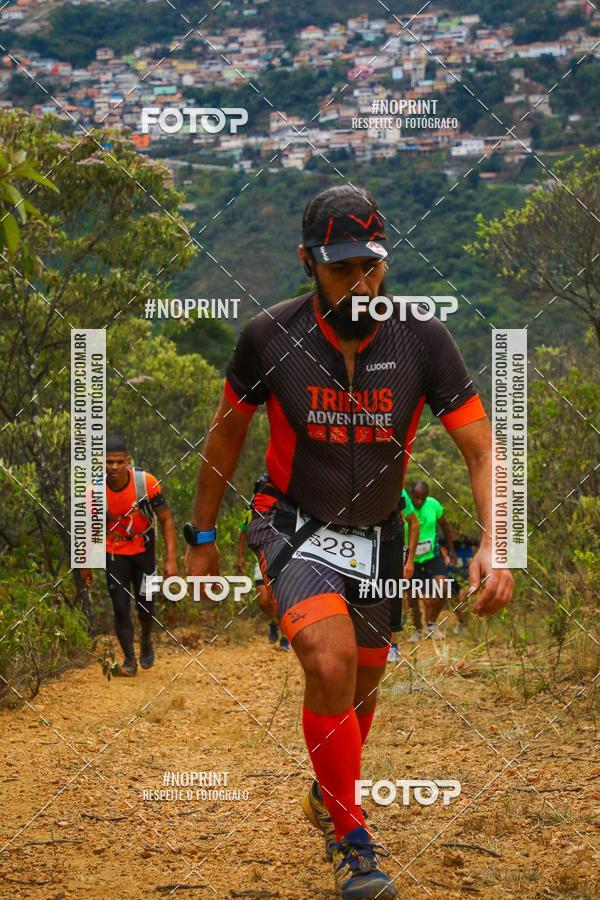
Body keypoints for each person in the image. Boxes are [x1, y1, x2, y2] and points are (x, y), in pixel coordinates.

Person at [184, 185, 513, 899]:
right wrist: (202, 535)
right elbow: (227, 433)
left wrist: (498, 540)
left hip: (381, 535)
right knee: (329, 664)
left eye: (372, 267)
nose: (361, 284)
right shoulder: (270, 338)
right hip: (292, 521)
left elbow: (482, 451)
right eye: (342, 270)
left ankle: (327, 791)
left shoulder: (423, 338)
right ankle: (353, 840)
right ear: (308, 262)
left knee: (362, 686)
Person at [82, 434, 177, 676]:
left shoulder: (146, 483)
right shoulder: (95, 490)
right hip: (114, 553)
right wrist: (85, 563)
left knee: (146, 607)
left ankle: (146, 639)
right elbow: (88, 528)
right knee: (120, 607)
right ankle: (129, 660)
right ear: (102, 463)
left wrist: (171, 559)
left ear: (128, 461)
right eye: (109, 462)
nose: (114, 467)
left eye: (119, 462)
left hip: (144, 550)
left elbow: (165, 518)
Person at [406, 481, 456, 642]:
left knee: (443, 588)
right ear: (411, 494)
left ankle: (431, 624)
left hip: (431, 555)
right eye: (415, 497)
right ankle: (417, 630)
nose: (418, 501)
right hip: (410, 558)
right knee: (413, 597)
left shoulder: (433, 505)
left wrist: (451, 549)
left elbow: (445, 526)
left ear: (426, 497)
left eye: (422, 498)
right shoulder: (404, 505)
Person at [237, 504, 290, 650]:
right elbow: (243, 534)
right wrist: (240, 556)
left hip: (281, 561)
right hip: (260, 561)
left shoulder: (286, 506)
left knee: (278, 600)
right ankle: (274, 623)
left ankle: (285, 637)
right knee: (263, 602)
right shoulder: (250, 511)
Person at [387, 488, 419, 662]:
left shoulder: (397, 488)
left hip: (395, 548)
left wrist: (410, 560)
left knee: (392, 594)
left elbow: (414, 522)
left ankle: (392, 646)